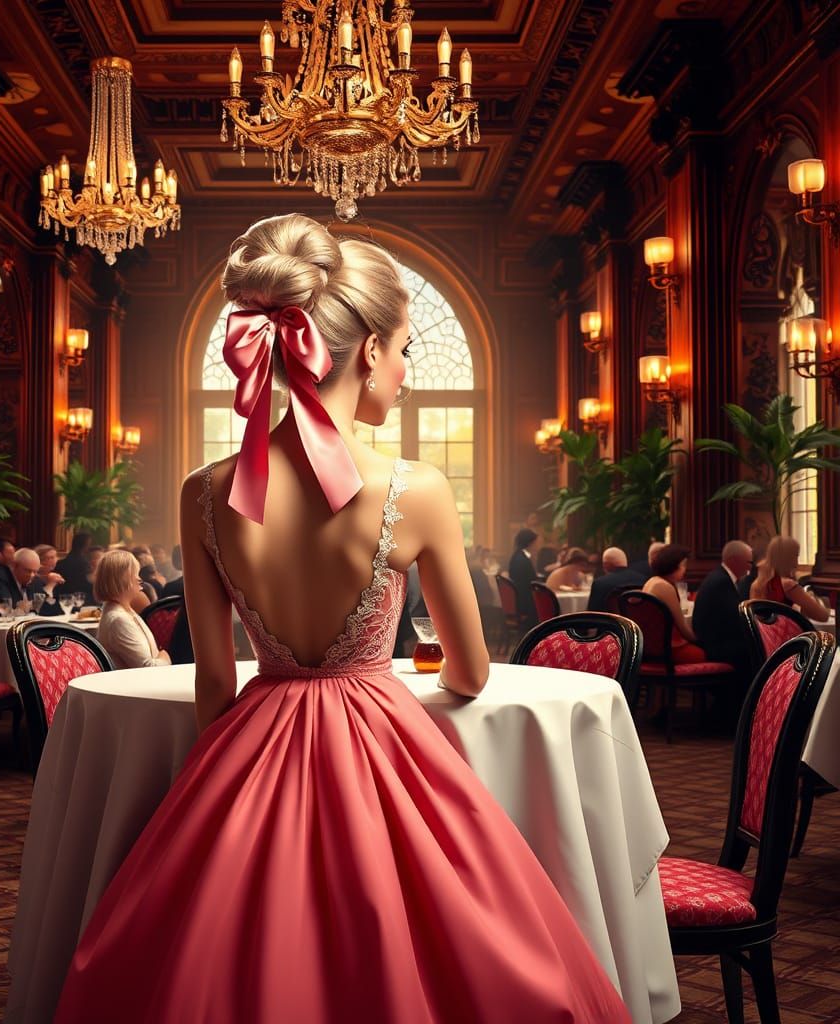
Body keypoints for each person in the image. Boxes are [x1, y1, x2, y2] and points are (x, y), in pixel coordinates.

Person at [55, 213, 628, 1023]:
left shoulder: (205, 492)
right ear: (366, 352)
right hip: (383, 736)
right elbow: (468, 673)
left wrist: (219, 795)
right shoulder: (417, 489)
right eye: (403, 352)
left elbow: (216, 684)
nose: (404, 372)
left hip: (248, 745)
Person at [95, 550, 171, 670]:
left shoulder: (125, 609)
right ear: (123, 579)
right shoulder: (118, 620)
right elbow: (148, 669)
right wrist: (165, 656)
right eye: (135, 574)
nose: (139, 579)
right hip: (135, 686)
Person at [692, 540, 754, 673]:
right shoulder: (721, 582)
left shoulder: (721, 577)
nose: (750, 568)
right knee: (757, 650)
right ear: (734, 560)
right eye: (749, 562)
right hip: (715, 648)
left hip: (716, 642)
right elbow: (736, 619)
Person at [642, 543, 707, 663]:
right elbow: (683, 629)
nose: (685, 570)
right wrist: (701, 641)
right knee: (708, 653)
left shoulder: (651, 582)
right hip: (669, 651)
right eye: (683, 565)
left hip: (650, 650)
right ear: (672, 566)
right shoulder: (665, 587)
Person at [750, 535, 830, 622]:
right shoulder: (787, 585)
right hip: (786, 634)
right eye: (796, 556)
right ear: (788, 558)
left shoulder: (757, 584)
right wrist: (812, 597)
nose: (796, 563)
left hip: (766, 634)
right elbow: (823, 616)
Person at [0, 548, 63, 615]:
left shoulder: (35, 580)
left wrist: (50, 588)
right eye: (28, 571)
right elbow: (6, 606)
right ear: (14, 565)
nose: (32, 575)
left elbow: (49, 605)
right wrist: (32, 605)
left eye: (35, 571)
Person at [586, 546, 646, 613]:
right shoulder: (643, 580)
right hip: (637, 622)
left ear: (605, 565)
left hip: (611, 623)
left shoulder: (600, 583)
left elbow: (592, 614)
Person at [507, 526, 543, 625]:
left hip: (521, 601)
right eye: (536, 542)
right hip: (525, 605)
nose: (538, 545)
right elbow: (527, 585)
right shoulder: (522, 560)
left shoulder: (518, 556)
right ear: (530, 543)